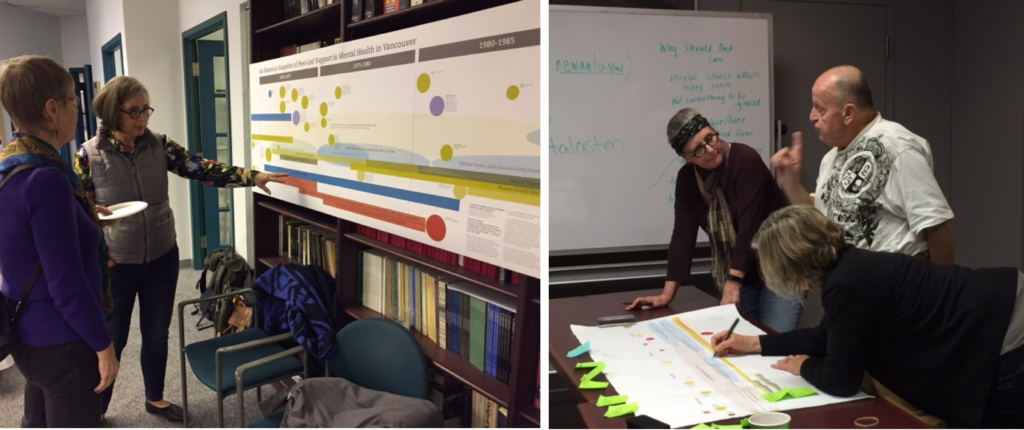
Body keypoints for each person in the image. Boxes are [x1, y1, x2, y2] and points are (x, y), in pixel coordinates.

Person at [75, 76, 288, 422]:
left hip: (162, 256)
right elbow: (77, 211)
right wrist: (94, 227)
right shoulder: (88, 155)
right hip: (117, 264)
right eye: (134, 112)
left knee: (157, 333)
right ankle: (94, 411)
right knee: (113, 338)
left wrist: (251, 177)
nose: (143, 118)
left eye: (146, 109)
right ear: (113, 113)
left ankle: (154, 398)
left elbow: (200, 168)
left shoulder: (159, 145)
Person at [711, 205, 1024, 428]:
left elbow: (841, 380)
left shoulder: (846, 283)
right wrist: (752, 343)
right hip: (1001, 309)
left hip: (1006, 334)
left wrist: (805, 365)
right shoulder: (849, 265)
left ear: (790, 262)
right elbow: (827, 335)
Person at [0, 55, 119, 428]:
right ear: (52, 109)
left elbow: (22, 239)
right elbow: (66, 284)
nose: (76, 110)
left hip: (29, 335)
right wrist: (104, 345)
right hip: (63, 342)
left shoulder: (13, 164)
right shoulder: (47, 180)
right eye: (73, 101)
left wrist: (80, 216)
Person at [627, 108, 802, 333]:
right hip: (744, 272)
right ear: (686, 157)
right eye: (698, 149)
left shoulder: (744, 160)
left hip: (781, 265)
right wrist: (667, 294)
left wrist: (734, 281)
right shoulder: (687, 180)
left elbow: (751, 226)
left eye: (710, 137)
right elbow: (683, 234)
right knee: (743, 343)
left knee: (776, 342)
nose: (710, 149)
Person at [771, 65, 955, 264]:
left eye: (820, 108)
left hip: (895, 287)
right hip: (849, 285)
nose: (812, 116)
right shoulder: (832, 157)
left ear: (848, 113)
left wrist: (938, 290)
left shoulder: (897, 147)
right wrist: (791, 183)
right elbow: (820, 217)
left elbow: (936, 223)